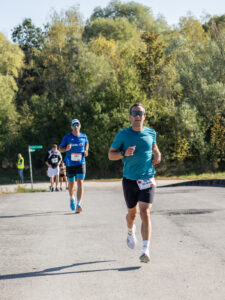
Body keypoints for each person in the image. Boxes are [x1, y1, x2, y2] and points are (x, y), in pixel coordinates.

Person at [108, 103, 161, 263]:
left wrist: (157, 153)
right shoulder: (123, 134)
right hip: (130, 180)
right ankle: (130, 231)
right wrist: (123, 153)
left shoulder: (151, 132)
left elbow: (154, 146)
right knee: (133, 214)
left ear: (144, 116)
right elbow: (111, 155)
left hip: (147, 178)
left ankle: (145, 250)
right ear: (130, 116)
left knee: (145, 212)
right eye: (134, 112)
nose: (137, 115)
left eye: (140, 112)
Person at [59, 119, 89, 213]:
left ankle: (79, 204)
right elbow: (60, 149)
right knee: (71, 184)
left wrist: (86, 150)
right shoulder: (67, 137)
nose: (76, 126)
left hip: (81, 162)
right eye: (74, 125)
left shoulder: (84, 136)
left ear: (80, 126)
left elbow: (87, 143)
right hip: (70, 164)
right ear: (71, 126)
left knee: (80, 182)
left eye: (77, 124)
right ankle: (72, 198)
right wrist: (66, 148)